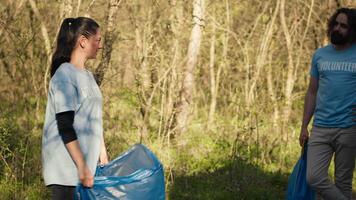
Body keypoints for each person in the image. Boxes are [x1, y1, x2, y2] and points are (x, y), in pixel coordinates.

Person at [42, 17, 109, 200]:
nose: (100, 45)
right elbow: (65, 126)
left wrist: (102, 153)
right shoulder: (64, 75)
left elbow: (94, 117)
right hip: (66, 172)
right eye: (97, 40)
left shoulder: (88, 76)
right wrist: (82, 167)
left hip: (86, 170)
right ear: (83, 41)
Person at [299, 8, 356, 200]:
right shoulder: (320, 55)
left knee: (343, 183)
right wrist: (304, 126)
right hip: (321, 127)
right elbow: (312, 91)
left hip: (349, 128)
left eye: (343, 26)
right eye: (335, 24)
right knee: (314, 177)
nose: (337, 29)